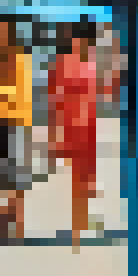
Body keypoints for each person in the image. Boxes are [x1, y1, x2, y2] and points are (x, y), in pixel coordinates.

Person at [0, 18, 36, 250]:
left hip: (18, 121)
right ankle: (6, 219)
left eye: (2, 33)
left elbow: (17, 95)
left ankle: (13, 222)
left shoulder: (21, 60)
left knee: (17, 174)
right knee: (1, 174)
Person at [48, 21, 105, 250]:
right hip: (72, 128)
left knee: (86, 178)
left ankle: (81, 221)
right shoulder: (64, 64)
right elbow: (54, 100)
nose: (87, 45)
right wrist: (54, 134)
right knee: (78, 180)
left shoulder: (91, 63)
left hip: (88, 127)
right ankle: (77, 227)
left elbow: (97, 96)